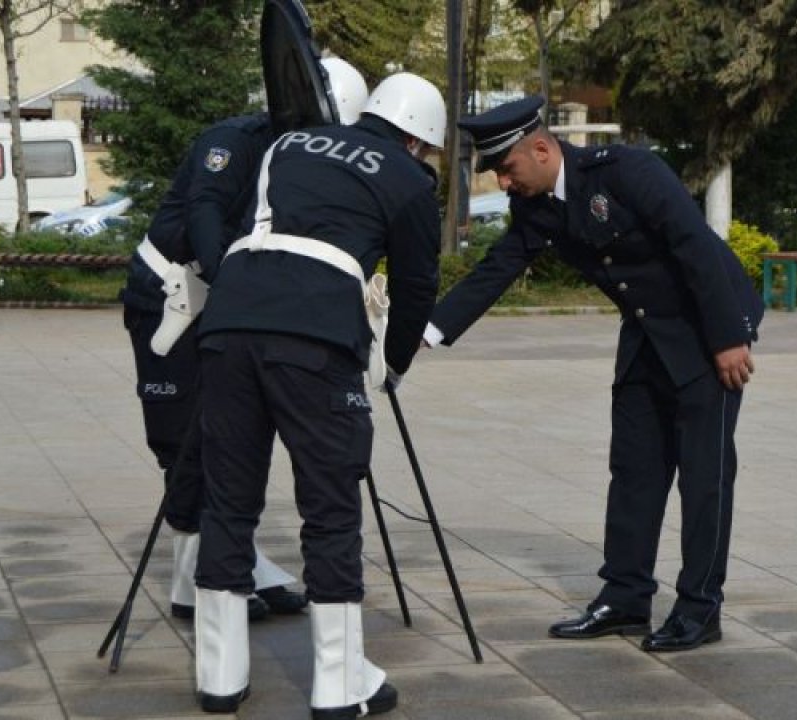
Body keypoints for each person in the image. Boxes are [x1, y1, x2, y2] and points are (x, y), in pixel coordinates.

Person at [424, 96, 763, 654]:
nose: (503, 183)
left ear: (540, 149)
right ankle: (625, 597)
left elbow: (695, 246)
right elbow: (497, 270)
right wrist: (427, 332)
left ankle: (700, 609)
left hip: (707, 328)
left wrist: (728, 338)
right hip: (646, 332)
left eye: (506, 169)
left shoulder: (628, 172)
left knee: (704, 477)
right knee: (633, 469)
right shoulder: (536, 207)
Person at [191, 71, 445, 716]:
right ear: (420, 141)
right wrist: (393, 364)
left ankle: (219, 677)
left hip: (228, 325)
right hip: (316, 338)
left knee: (227, 499)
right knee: (331, 510)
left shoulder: (292, 144)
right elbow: (415, 287)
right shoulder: (411, 180)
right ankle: (338, 684)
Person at [120, 58, 370, 628]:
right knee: (184, 438)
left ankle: (233, 557)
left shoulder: (306, 158)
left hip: (235, 310)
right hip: (175, 299)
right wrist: (231, 282)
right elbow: (206, 212)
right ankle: (190, 575)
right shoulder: (234, 141)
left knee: (232, 443)